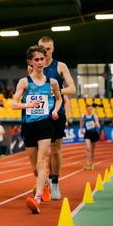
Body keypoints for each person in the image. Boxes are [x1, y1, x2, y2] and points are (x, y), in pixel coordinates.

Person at [10, 45, 62, 214]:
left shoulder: (52, 82)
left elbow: (60, 100)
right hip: (28, 126)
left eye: (42, 59)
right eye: (37, 59)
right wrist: (27, 105)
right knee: (34, 167)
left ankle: (37, 198)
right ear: (30, 62)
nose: (40, 62)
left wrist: (54, 111)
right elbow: (13, 103)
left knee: (42, 162)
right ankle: (44, 184)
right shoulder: (24, 82)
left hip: (46, 126)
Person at [35, 36, 76, 200]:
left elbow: (72, 88)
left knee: (55, 150)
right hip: (39, 113)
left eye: (48, 49)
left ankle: (55, 183)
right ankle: (42, 183)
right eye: (41, 48)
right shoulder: (34, 66)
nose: (45, 51)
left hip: (56, 113)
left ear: (53, 49)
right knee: (41, 153)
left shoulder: (60, 66)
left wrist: (56, 91)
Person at [79, 104, 100, 170]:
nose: (89, 110)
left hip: (94, 133)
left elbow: (98, 124)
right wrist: (81, 129)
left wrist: (96, 124)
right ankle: (87, 163)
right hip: (87, 133)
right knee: (88, 148)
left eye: (90, 109)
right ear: (86, 109)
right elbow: (81, 122)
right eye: (88, 109)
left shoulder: (94, 116)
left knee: (93, 150)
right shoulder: (83, 116)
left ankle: (91, 163)